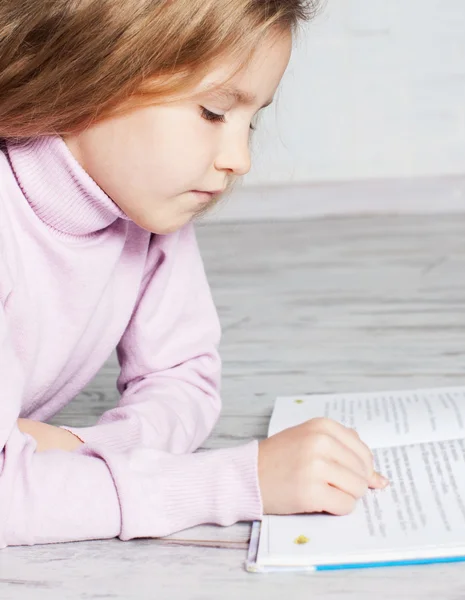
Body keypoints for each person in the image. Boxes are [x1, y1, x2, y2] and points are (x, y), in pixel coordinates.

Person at [0, 0, 388, 547]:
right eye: (212, 112)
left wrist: (78, 447)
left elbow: (182, 378)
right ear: (89, 70)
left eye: (251, 120)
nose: (240, 158)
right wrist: (238, 480)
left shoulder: (143, 206)